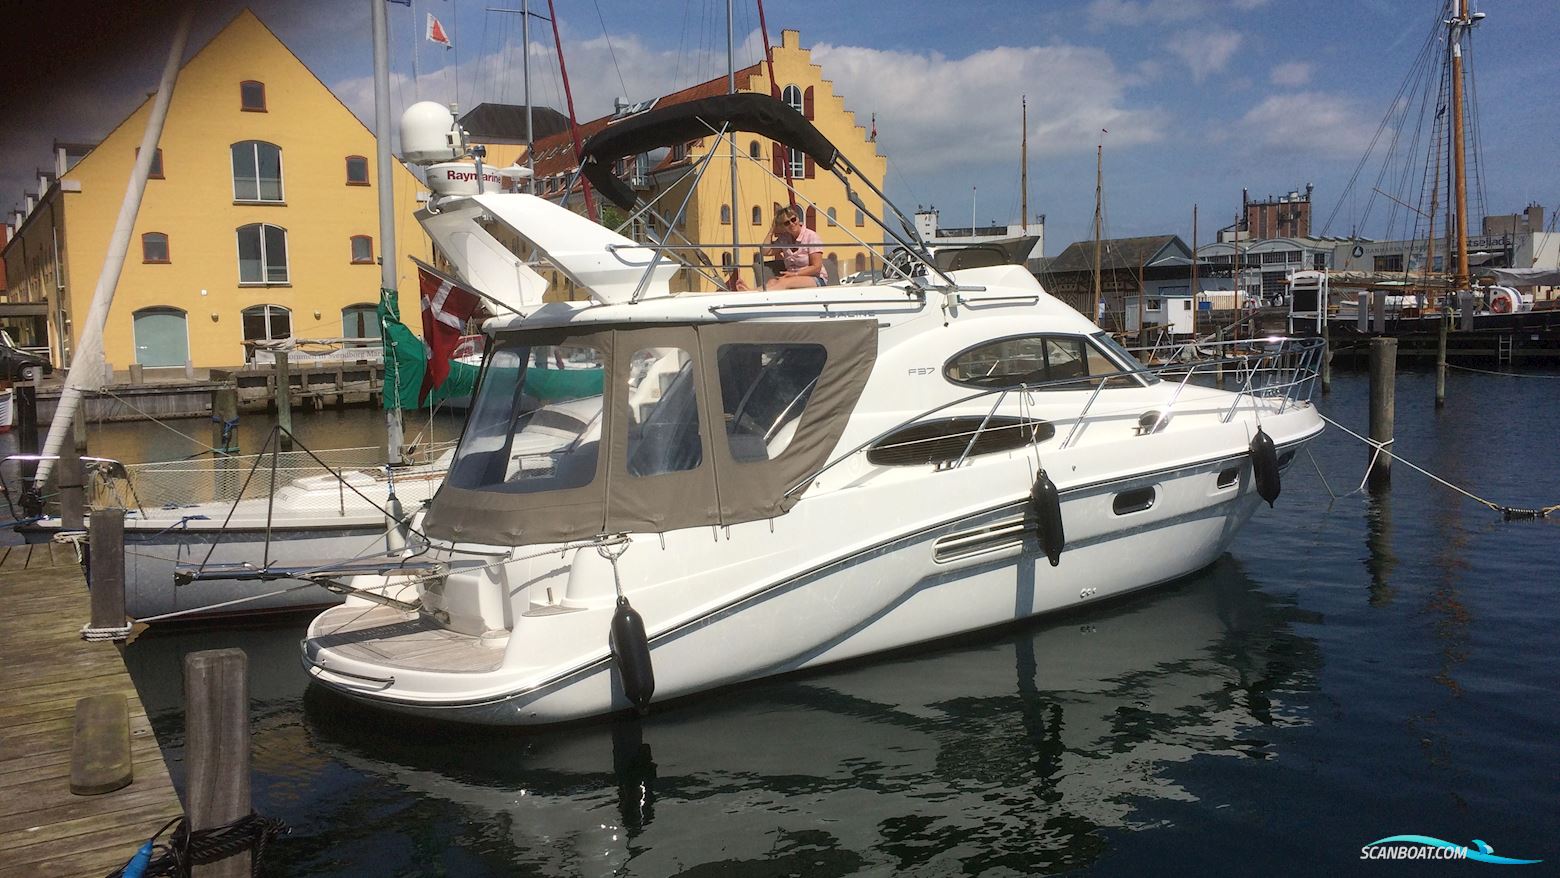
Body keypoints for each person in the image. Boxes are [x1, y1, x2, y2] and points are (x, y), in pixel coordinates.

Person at [762, 207, 828, 289]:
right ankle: (749, 292)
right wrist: (772, 230)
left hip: (815, 278)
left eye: (793, 219)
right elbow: (765, 251)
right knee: (771, 282)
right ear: (783, 226)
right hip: (791, 277)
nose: (791, 224)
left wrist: (795, 274)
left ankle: (759, 299)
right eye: (786, 223)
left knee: (784, 283)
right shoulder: (784, 239)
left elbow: (816, 267)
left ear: (798, 219)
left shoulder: (811, 236)